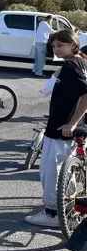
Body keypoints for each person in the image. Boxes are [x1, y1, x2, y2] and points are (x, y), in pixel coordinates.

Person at [25, 30, 87, 228]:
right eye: (53, 46)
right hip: (64, 127)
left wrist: (73, 123)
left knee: (51, 172)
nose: (56, 49)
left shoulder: (71, 65)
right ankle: (65, 208)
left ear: (73, 44)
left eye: (60, 45)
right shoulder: (80, 63)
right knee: (63, 172)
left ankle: (52, 213)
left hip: (62, 128)